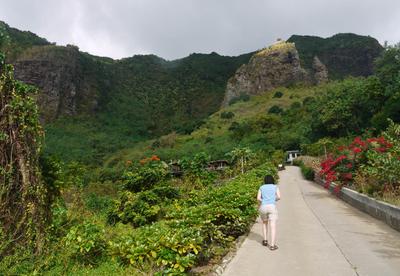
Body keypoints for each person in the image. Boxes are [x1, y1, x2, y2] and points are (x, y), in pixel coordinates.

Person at [257, 175, 280, 250]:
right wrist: (273, 200)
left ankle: (265, 240)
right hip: (272, 207)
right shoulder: (275, 187)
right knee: (272, 226)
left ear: (265, 180)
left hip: (263, 207)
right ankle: (272, 245)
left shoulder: (261, 187)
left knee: (264, 223)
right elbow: (279, 197)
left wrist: (263, 201)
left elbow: (258, 198)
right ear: (272, 180)